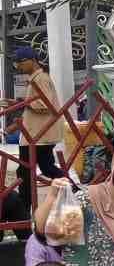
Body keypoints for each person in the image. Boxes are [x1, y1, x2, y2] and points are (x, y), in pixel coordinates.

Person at [11, 47, 66, 210]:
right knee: (38, 169)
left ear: (32, 61)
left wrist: (23, 102)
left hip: (39, 135)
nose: (18, 67)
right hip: (35, 134)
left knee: (28, 171)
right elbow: (36, 105)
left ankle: (22, 207)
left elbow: (44, 105)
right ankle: (24, 206)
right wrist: (19, 103)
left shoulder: (40, 79)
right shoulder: (35, 79)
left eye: (20, 63)